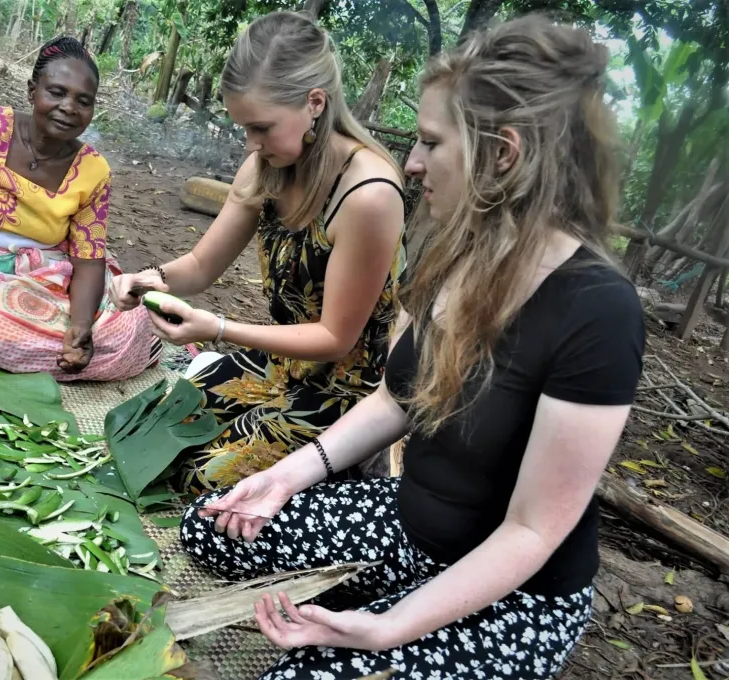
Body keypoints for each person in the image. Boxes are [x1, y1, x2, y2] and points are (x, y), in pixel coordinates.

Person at [180, 14, 645, 680]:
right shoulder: (460, 250)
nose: (414, 162)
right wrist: (287, 476)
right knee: (217, 522)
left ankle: (379, 611)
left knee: (302, 675)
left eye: (430, 142)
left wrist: (391, 627)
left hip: (510, 590)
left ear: (503, 154)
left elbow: (533, 531)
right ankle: (364, 595)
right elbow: (396, 399)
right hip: (409, 525)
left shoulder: (597, 312)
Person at [108, 12, 408, 493]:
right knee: (150, 431)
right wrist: (147, 279)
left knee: (200, 477)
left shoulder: (368, 194)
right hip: (277, 366)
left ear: (314, 103)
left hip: (343, 393)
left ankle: (343, 471)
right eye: (243, 127)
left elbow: (335, 337)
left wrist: (220, 330)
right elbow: (201, 266)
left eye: (261, 127)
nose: (250, 143)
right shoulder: (265, 167)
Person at [0, 37, 158, 381]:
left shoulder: (94, 171)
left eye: (83, 101)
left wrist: (81, 330)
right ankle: (67, 357)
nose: (69, 107)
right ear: (31, 91)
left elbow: (87, 259)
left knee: (132, 321)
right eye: (56, 92)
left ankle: (73, 353)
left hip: (56, 268)